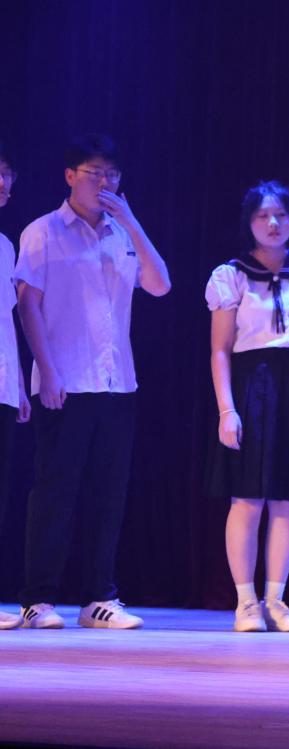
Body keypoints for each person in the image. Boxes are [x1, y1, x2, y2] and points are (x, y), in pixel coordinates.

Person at [14, 134, 171, 630]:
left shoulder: (122, 234)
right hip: (65, 381)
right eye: (94, 173)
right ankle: (38, 599)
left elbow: (160, 285)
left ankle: (99, 598)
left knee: (109, 493)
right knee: (55, 493)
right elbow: (28, 305)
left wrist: (132, 222)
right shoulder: (43, 231)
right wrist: (47, 370)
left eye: (112, 174)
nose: (104, 182)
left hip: (117, 382)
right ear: (70, 176)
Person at [206, 181, 289, 633]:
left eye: (280, 214)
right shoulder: (231, 275)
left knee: (288, 500)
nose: (273, 223)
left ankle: (276, 600)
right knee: (247, 499)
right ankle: (245, 602)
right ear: (250, 222)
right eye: (263, 215)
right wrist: (227, 409)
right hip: (252, 385)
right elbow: (220, 349)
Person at [0, 142, 32, 630]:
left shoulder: (6, 246)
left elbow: (8, 321)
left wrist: (21, 385)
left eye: (7, 174)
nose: (2, 183)